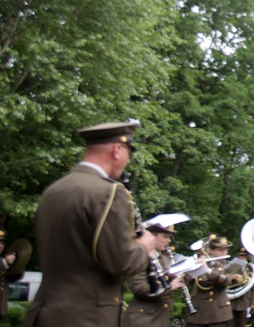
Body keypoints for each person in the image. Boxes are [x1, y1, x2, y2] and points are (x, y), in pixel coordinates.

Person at [24, 121, 155, 327]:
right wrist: (144, 246)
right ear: (117, 150)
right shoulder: (109, 192)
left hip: (45, 313)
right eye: (129, 153)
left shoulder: (54, 190)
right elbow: (122, 263)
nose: (127, 161)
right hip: (87, 317)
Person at [123, 224, 186, 327]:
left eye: (169, 237)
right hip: (143, 320)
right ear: (151, 236)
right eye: (165, 236)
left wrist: (173, 278)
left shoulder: (164, 259)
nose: (169, 241)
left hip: (159, 318)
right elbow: (140, 289)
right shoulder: (140, 256)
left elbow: (161, 282)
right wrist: (170, 287)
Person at [188, 236, 239, 327]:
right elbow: (188, 281)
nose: (224, 253)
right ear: (211, 251)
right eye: (220, 250)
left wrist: (208, 270)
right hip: (198, 312)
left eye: (226, 250)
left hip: (219, 314)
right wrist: (192, 267)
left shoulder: (229, 266)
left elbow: (226, 281)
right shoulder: (200, 263)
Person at [230, 247, 254, 327]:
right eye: (240, 256)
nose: (242, 258)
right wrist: (232, 277)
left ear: (247, 257)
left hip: (245, 302)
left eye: (244, 256)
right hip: (232, 302)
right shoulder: (231, 268)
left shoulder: (252, 270)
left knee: (242, 324)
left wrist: (252, 303)